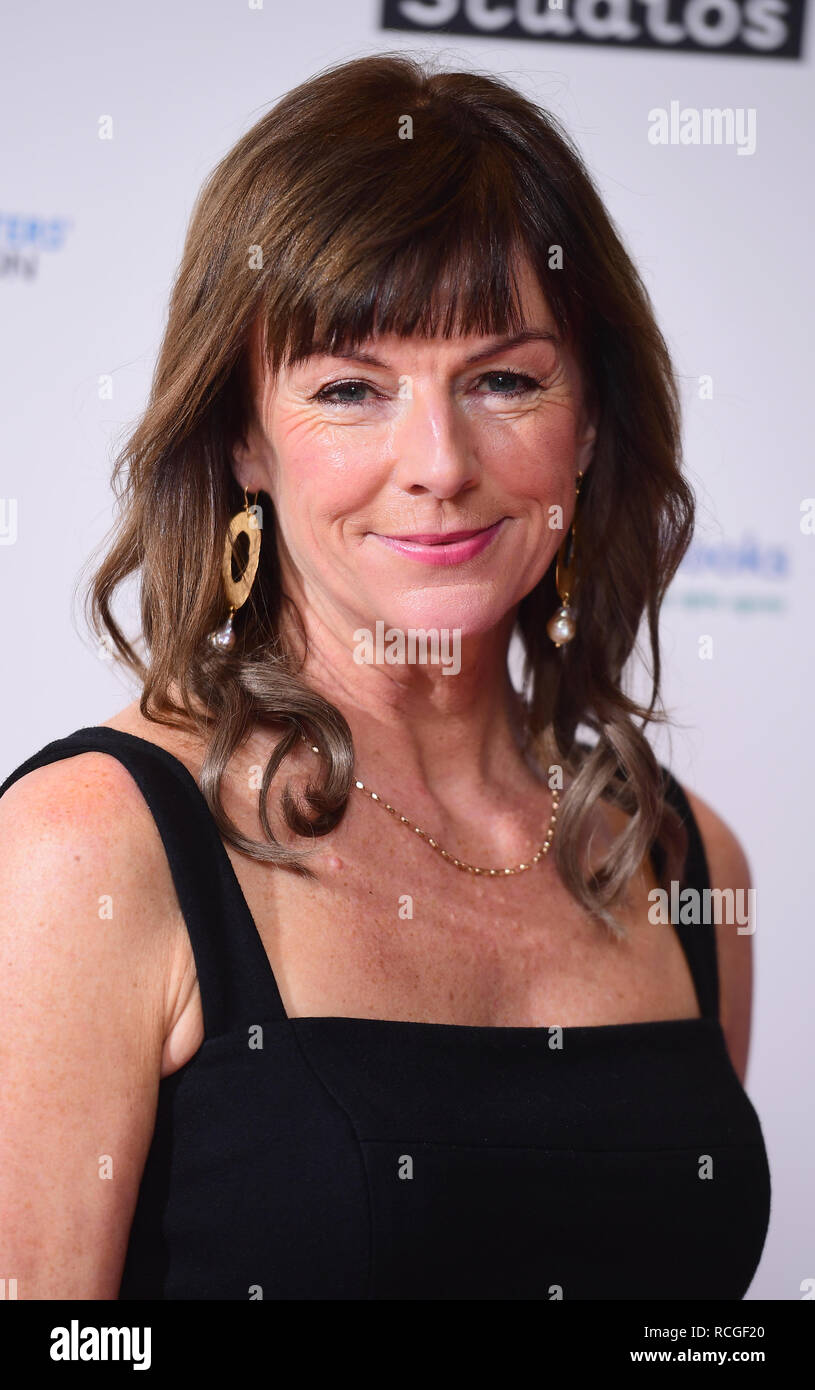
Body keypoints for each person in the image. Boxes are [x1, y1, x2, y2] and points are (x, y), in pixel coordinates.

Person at [0, 52, 769, 1300]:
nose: (438, 462)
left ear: (588, 426)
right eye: (351, 389)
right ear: (242, 437)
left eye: (504, 379)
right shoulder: (91, 846)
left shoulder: (682, 861)